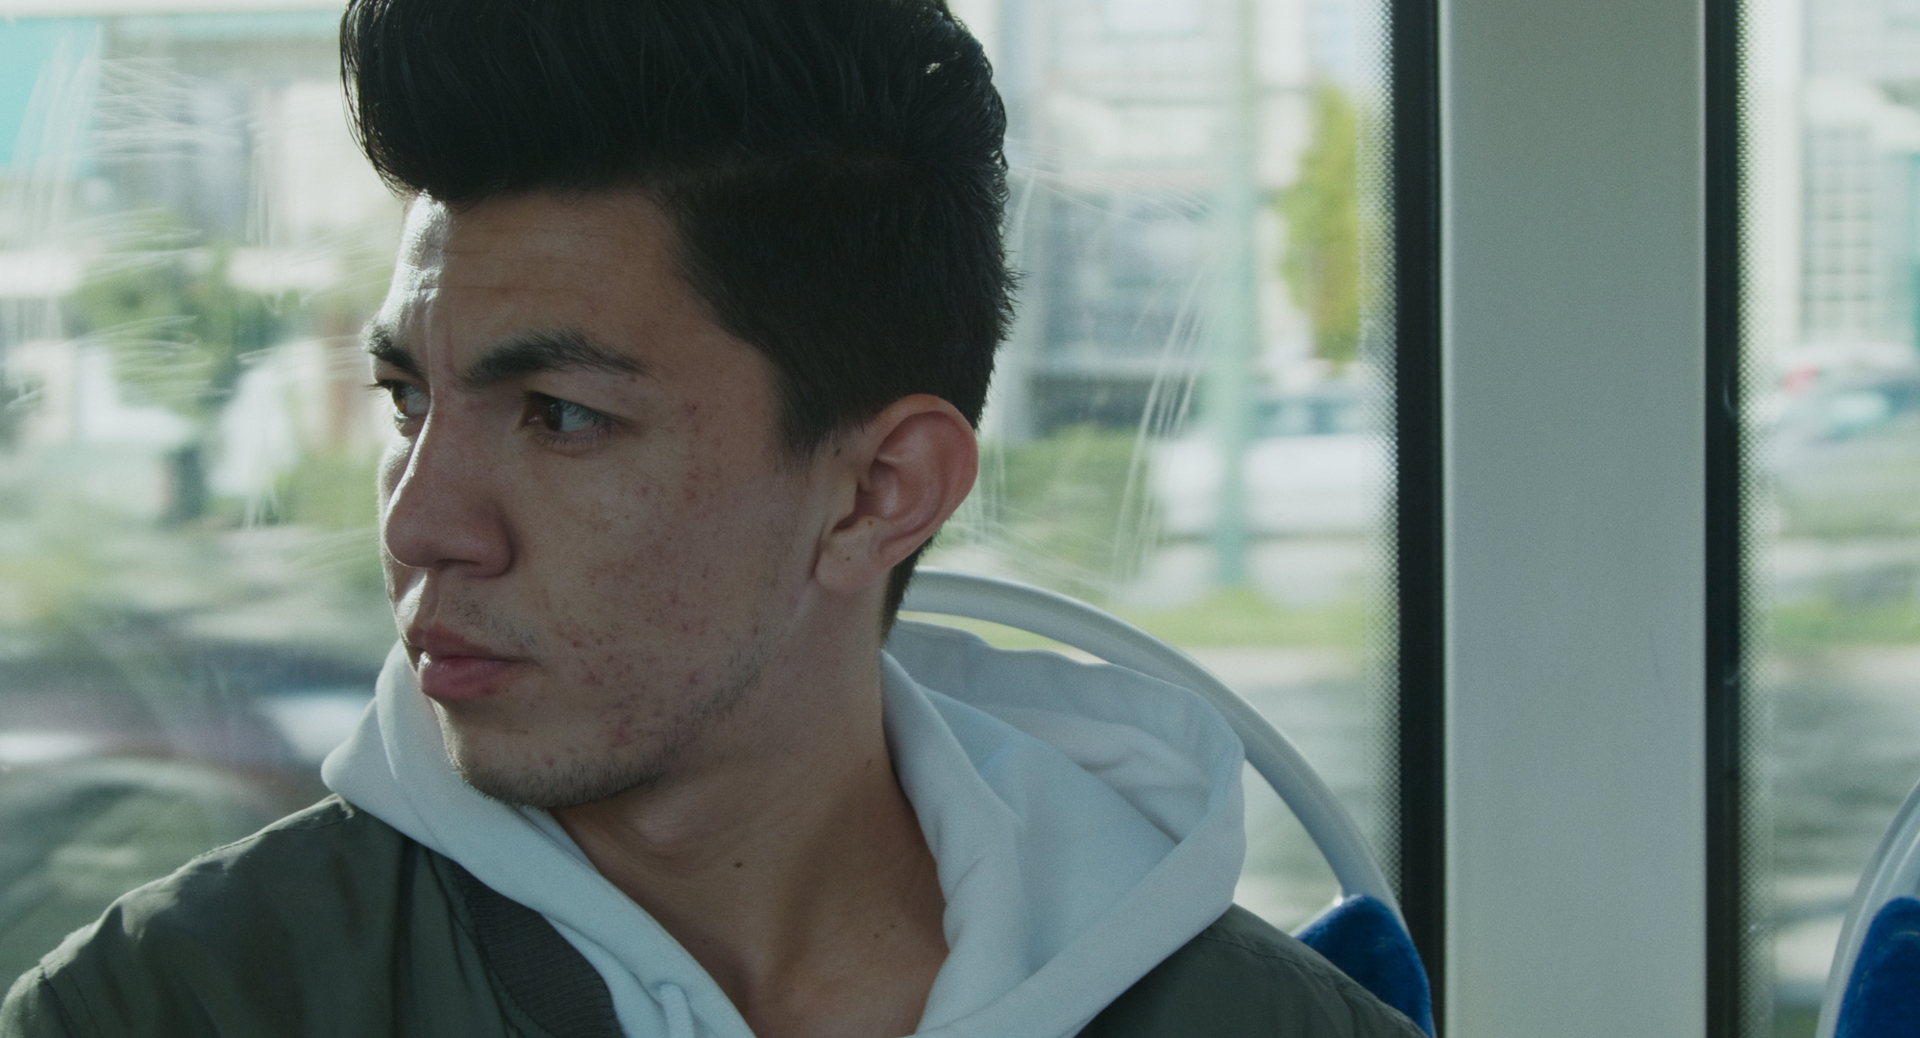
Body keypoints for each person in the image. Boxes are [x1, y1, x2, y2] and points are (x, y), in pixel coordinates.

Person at [0, 1, 1424, 1035]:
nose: (424, 521)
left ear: (878, 491)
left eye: (561, 415)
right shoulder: (173, 1003)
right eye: (406, 399)